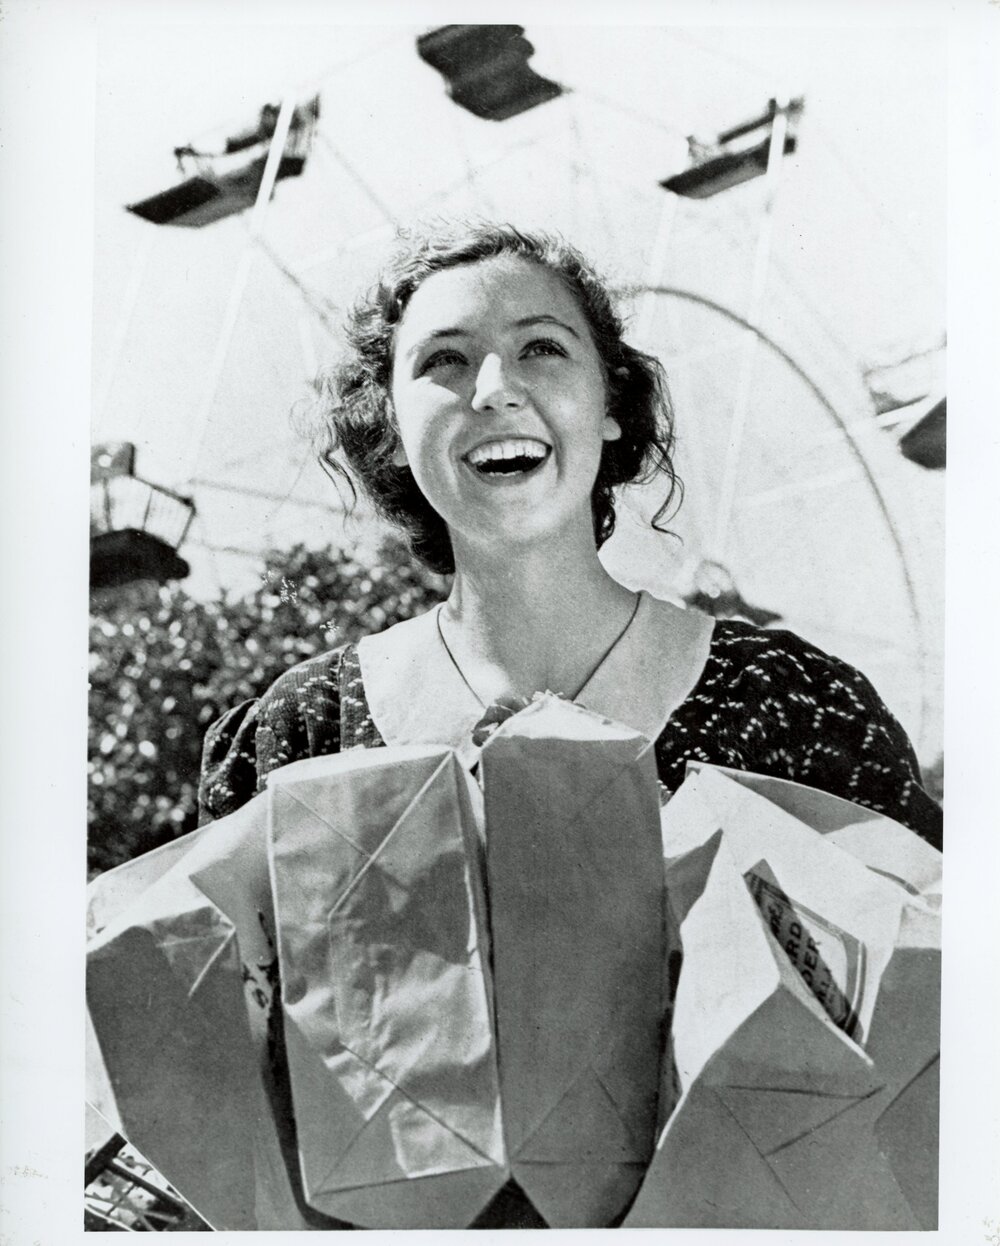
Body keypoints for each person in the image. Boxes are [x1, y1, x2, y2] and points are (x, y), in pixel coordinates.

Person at [199, 221, 942, 853]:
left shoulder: (791, 708)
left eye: (542, 349)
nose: (494, 388)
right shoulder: (302, 735)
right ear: (389, 428)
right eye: (444, 361)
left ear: (611, 403)